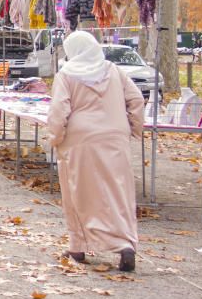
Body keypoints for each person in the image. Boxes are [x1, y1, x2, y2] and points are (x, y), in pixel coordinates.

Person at [46, 30, 144, 272]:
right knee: (118, 191)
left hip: (80, 142)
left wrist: (55, 137)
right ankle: (124, 244)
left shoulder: (66, 75)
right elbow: (136, 99)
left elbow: (59, 109)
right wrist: (133, 128)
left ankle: (78, 245)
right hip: (114, 137)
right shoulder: (113, 70)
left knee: (80, 192)